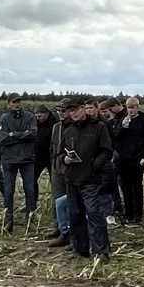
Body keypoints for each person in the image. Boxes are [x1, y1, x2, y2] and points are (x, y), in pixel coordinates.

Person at [57, 96, 113, 261]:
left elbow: (106, 151)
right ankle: (80, 248)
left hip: (90, 179)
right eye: (70, 111)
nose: (72, 113)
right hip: (72, 178)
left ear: (84, 108)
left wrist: (93, 166)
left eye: (75, 109)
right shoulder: (68, 130)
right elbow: (60, 153)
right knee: (75, 214)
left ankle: (101, 250)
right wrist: (64, 159)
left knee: (94, 213)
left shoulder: (98, 127)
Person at [0, 93, 39, 233]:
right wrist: (22, 135)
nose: (17, 104)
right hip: (9, 160)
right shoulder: (4, 118)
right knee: (8, 191)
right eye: (14, 102)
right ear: (8, 104)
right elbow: (2, 139)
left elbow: (32, 134)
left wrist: (13, 134)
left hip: (27, 159)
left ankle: (30, 219)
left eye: (19, 101)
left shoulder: (30, 116)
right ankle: (9, 220)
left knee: (30, 190)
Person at [46, 97, 82, 250]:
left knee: (72, 204)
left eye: (63, 110)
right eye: (58, 111)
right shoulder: (56, 128)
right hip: (57, 168)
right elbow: (53, 149)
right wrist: (55, 164)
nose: (60, 113)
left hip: (72, 170)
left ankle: (74, 235)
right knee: (57, 200)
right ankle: (61, 231)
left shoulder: (77, 127)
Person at [114, 96, 144, 226]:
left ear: (137, 108)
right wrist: (122, 128)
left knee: (136, 187)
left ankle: (138, 214)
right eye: (128, 108)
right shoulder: (123, 120)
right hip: (123, 158)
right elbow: (115, 137)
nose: (130, 110)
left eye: (133, 108)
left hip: (137, 160)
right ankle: (128, 213)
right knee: (125, 187)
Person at [33, 103, 54, 203]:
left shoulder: (55, 123)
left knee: (54, 181)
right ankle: (32, 204)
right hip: (38, 156)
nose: (38, 118)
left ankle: (54, 204)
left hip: (51, 157)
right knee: (32, 179)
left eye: (40, 116)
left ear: (46, 114)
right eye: (36, 115)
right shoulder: (34, 123)